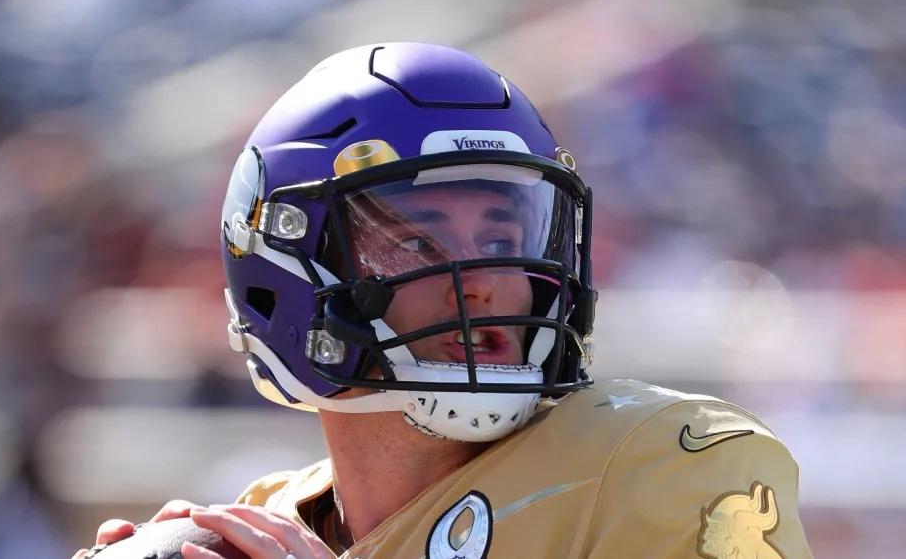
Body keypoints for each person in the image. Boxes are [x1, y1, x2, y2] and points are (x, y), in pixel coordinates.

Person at [73, 42, 813, 559]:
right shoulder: (261, 518)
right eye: (420, 239)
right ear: (292, 262)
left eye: (502, 236)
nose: (483, 277)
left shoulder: (660, 462)